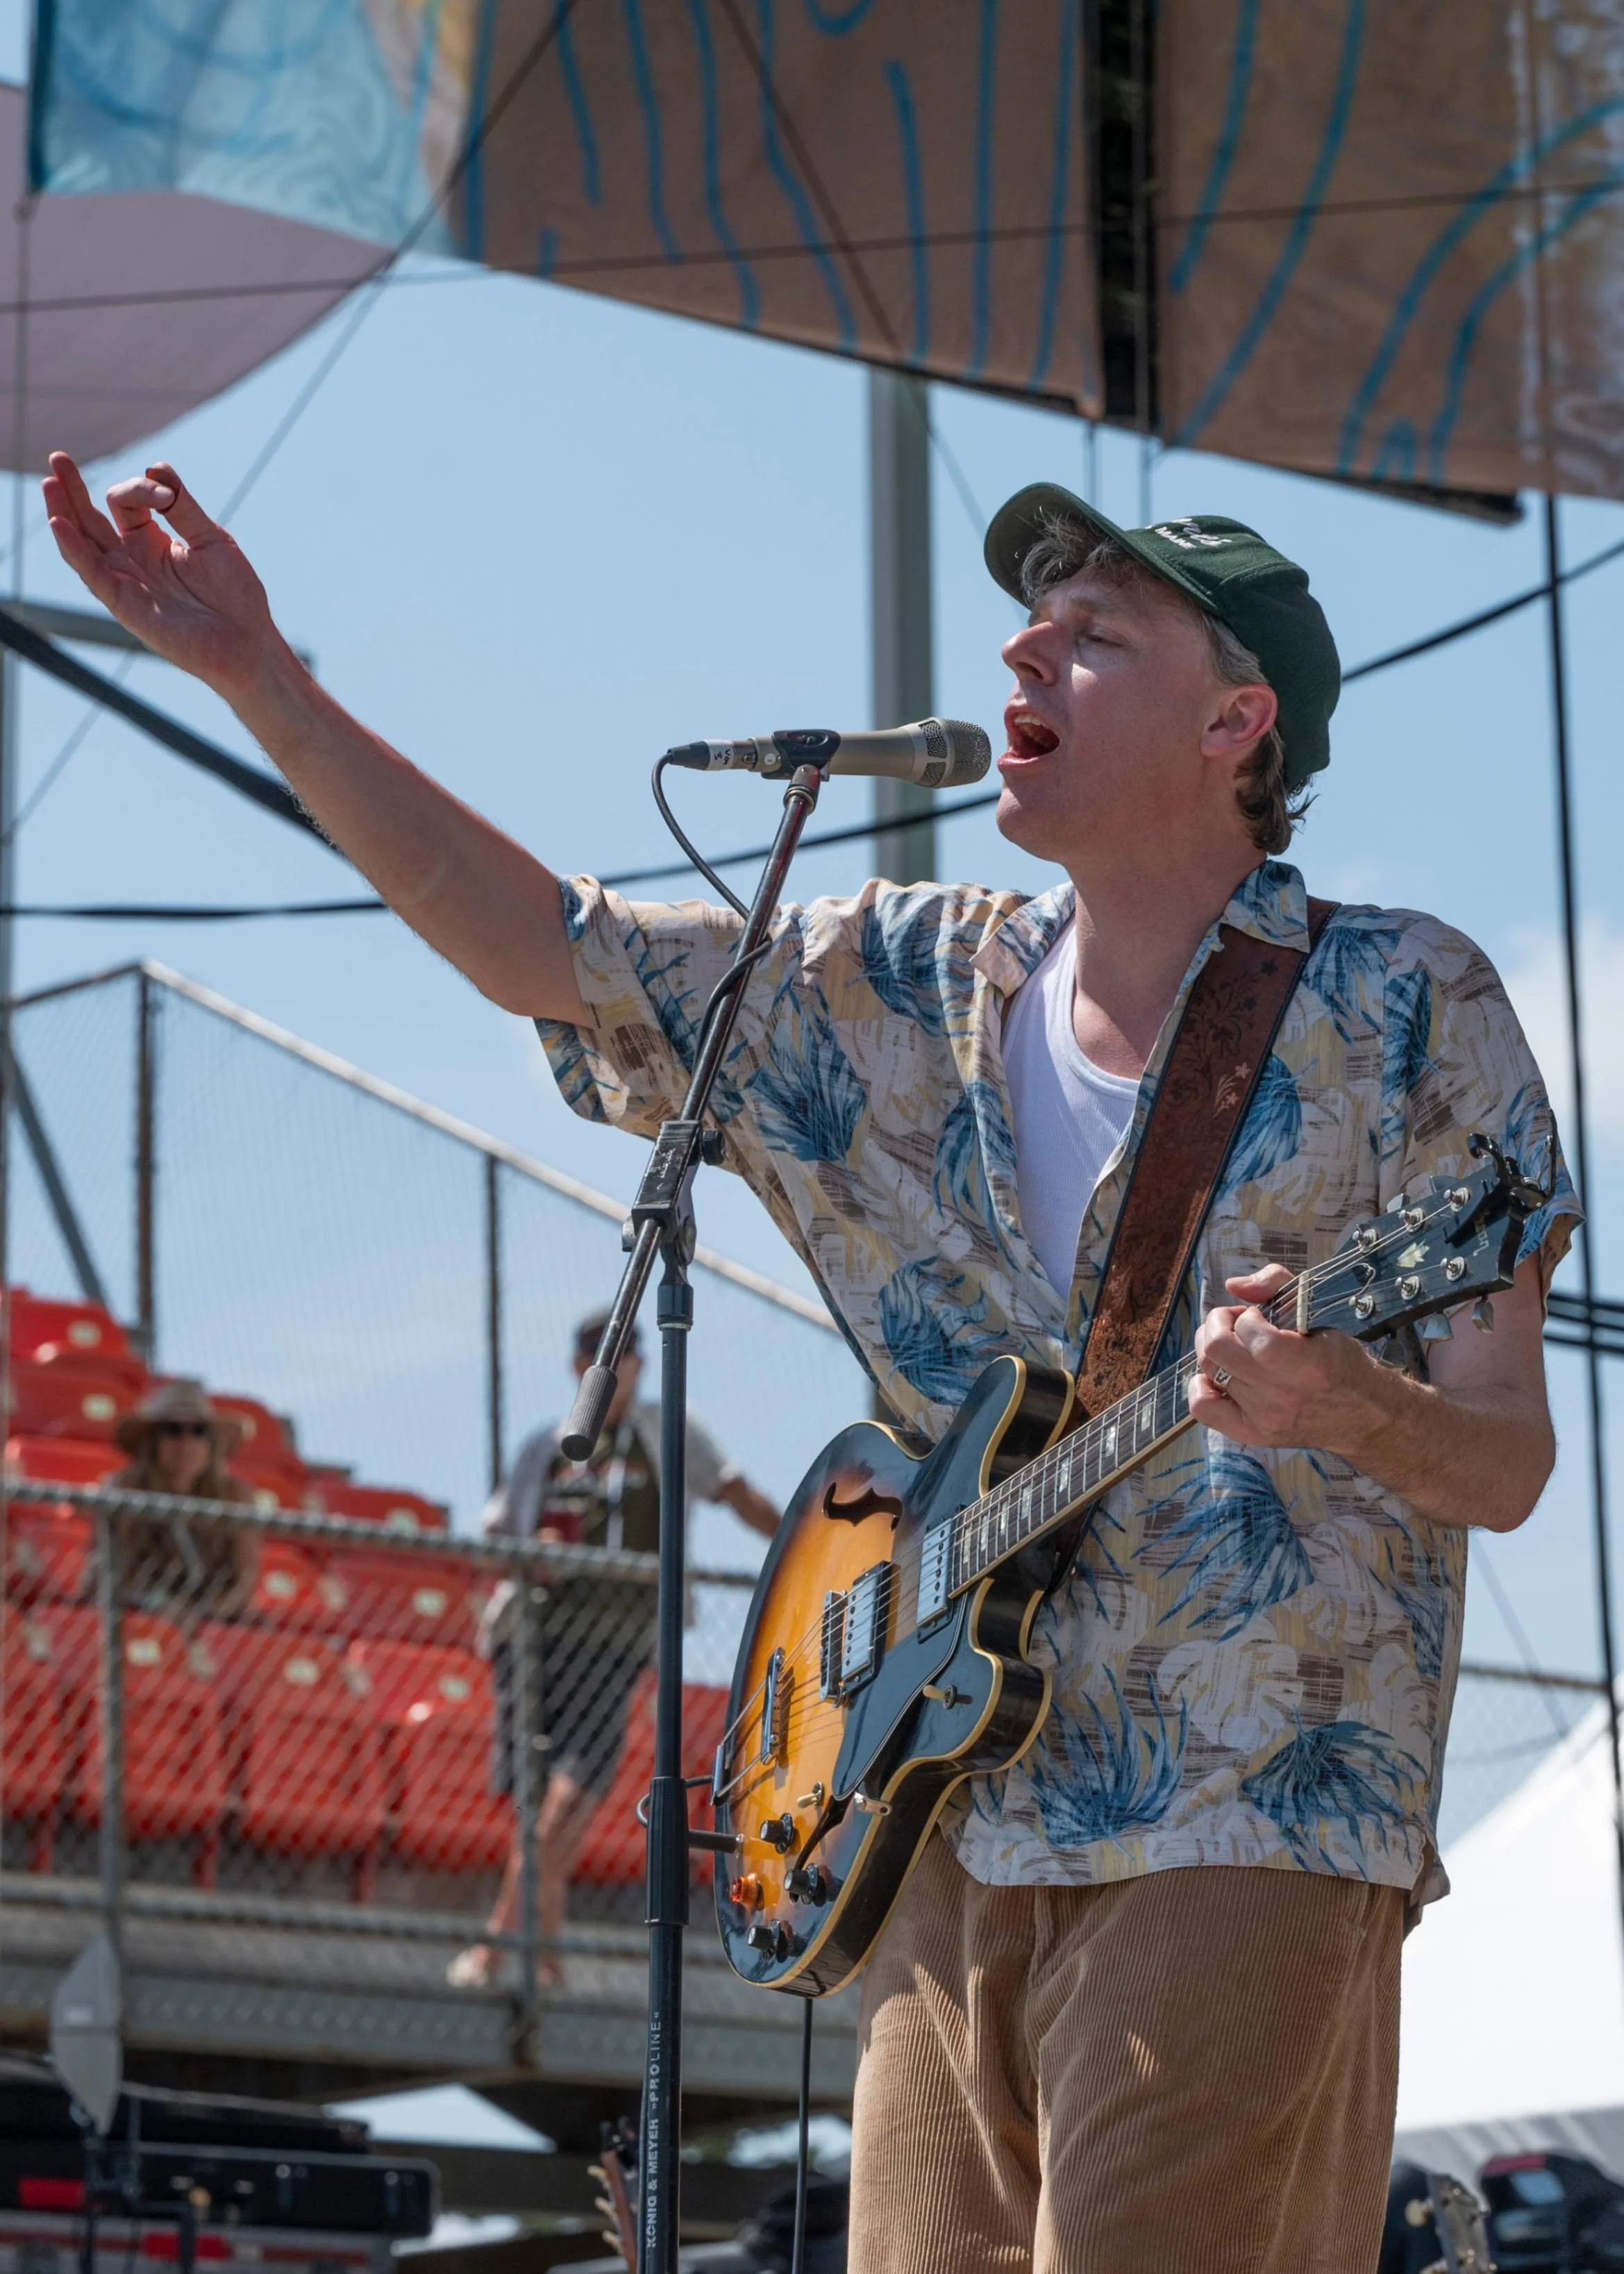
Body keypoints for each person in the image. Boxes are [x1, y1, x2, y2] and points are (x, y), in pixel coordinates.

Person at [42, 449, 1575, 2274]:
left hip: (1250, 1793)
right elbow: (546, 950)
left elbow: (1504, 1456)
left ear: (1232, 720)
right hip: (933, 1809)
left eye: (1093, 633)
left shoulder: (1405, 1001)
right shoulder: (889, 983)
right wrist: (259, 676)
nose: (1023, 650)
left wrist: (1347, 1401)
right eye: (1030, 620)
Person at [453, 1308, 778, 1987]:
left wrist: (798, 1541)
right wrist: (532, 1551)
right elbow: (493, 1542)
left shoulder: (666, 1431)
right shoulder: (546, 1446)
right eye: (606, 1354)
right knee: (539, 1812)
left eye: (630, 1353)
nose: (622, 1366)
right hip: (534, 1642)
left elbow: (736, 1491)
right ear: (580, 1365)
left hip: (615, 1646)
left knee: (563, 1807)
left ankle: (494, 1948)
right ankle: (544, 1960)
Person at [110, 1377, 253, 1619]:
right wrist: (156, 1607)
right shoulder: (127, 1490)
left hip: (214, 1620)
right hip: (135, 1615)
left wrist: (204, 1614)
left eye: (199, 1431)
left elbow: (243, 1580)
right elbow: (112, 1572)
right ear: (153, 1441)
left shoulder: (234, 1496)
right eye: (173, 1430)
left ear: (212, 1444)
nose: (186, 1443)